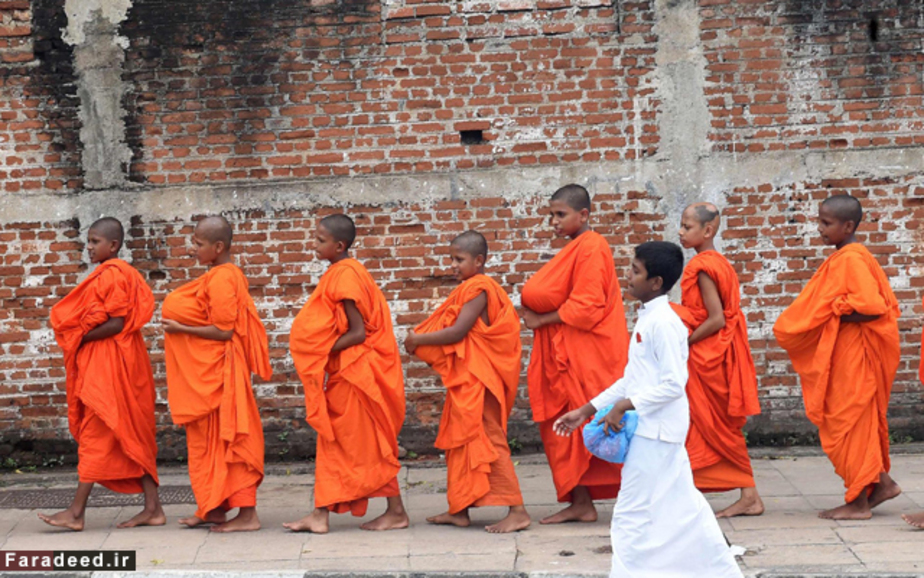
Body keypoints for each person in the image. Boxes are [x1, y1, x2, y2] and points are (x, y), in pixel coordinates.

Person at [554, 241, 743, 578]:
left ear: (656, 282)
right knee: (683, 506)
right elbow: (633, 379)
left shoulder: (665, 324)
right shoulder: (648, 319)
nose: (627, 277)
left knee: (631, 512)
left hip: (658, 431)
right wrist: (587, 409)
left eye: (635, 271)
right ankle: (718, 570)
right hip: (653, 428)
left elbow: (674, 384)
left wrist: (623, 407)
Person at [774, 194, 901, 520]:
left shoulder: (851, 259)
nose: (819, 229)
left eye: (825, 223)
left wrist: (833, 316)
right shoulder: (849, 256)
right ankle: (882, 484)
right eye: (819, 221)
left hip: (854, 354)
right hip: (850, 351)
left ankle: (859, 503)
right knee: (853, 421)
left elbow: (872, 307)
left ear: (847, 226)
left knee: (846, 421)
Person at [285, 214, 408, 533]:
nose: (314, 245)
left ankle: (384, 512)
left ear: (339, 245)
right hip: (351, 373)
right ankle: (325, 513)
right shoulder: (342, 272)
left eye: (319, 240)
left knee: (349, 442)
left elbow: (358, 333)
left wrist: (320, 349)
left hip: (358, 374)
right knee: (352, 443)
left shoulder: (346, 276)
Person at [41, 217, 163, 531]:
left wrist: (79, 337)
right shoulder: (113, 274)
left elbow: (117, 323)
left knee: (97, 434)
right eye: (89, 241)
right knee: (131, 434)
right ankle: (153, 509)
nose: (89, 247)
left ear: (114, 245)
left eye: (95, 242)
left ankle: (76, 513)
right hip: (120, 360)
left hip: (113, 364)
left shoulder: (113, 275)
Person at [405, 231, 530, 533]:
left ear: (479, 261)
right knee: (461, 441)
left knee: (489, 440)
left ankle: (518, 510)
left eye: (459, 259)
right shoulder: (469, 288)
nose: (453, 265)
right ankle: (459, 509)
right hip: (468, 379)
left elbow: (458, 332)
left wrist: (418, 339)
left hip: (480, 381)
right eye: (451, 259)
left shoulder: (480, 289)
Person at [520, 184, 629, 524]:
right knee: (562, 428)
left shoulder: (592, 246)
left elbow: (586, 307)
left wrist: (541, 318)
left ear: (584, 215)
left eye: (560, 214)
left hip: (587, 355)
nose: (553, 221)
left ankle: (647, 497)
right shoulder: (575, 248)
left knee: (594, 424)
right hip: (563, 353)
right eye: (551, 215)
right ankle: (581, 502)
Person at [162, 215, 272, 533]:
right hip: (209, 373)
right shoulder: (215, 274)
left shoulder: (224, 277)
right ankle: (212, 507)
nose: (192, 249)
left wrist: (180, 327)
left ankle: (248, 515)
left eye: (198, 244)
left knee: (230, 441)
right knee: (205, 445)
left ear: (218, 246)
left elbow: (224, 331)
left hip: (222, 375)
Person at [676, 202, 763, 518]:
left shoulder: (702, 267)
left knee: (719, 427)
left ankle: (750, 496)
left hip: (710, 354)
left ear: (708, 230)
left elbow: (715, 319)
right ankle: (694, 491)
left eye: (687, 227)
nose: (681, 231)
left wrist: (684, 342)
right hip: (717, 354)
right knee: (708, 426)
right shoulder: (719, 263)